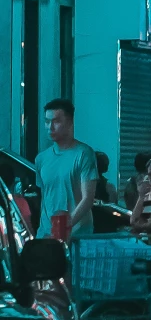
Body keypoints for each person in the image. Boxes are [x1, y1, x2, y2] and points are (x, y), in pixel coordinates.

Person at [34, 98, 99, 239]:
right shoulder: (41, 158)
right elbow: (44, 198)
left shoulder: (84, 154)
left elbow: (88, 198)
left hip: (76, 234)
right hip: (46, 234)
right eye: (47, 121)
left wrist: (64, 227)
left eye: (56, 121)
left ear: (69, 122)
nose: (50, 127)